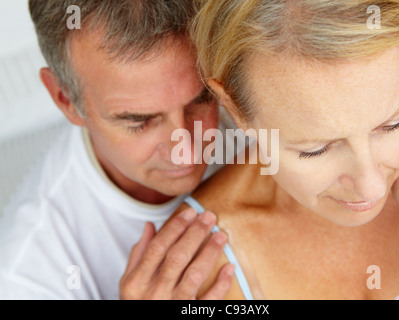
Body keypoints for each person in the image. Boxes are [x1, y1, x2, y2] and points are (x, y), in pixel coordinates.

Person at [178, 0, 399, 299]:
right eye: (315, 150)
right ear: (236, 109)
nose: (371, 189)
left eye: (393, 125)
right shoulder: (205, 271)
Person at [0, 0, 236, 300]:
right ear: (65, 99)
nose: (187, 152)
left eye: (202, 98)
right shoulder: (30, 278)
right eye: (139, 121)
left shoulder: (255, 93)